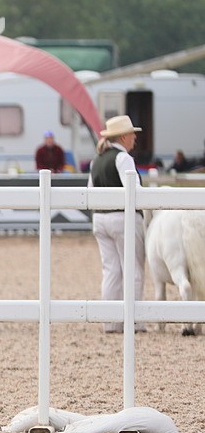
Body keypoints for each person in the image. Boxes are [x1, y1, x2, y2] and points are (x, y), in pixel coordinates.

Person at [88, 115, 146, 333]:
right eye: (132, 134)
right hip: (123, 219)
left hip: (100, 219)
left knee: (111, 270)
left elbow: (90, 192)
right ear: (123, 137)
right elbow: (135, 192)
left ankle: (110, 322)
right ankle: (135, 320)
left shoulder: (97, 160)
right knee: (133, 269)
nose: (134, 139)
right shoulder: (124, 159)